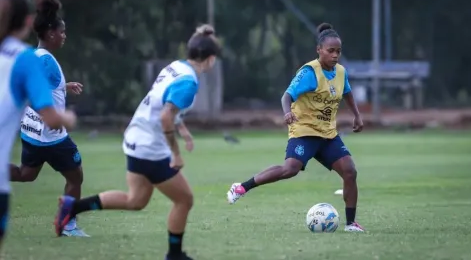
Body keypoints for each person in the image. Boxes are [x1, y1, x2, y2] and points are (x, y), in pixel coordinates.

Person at [54, 24, 220, 260]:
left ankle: (72, 207)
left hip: (135, 137)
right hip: (149, 146)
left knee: (136, 200)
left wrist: (183, 130)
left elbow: (164, 105)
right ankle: (174, 255)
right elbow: (165, 117)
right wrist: (176, 153)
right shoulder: (190, 82)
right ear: (211, 59)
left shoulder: (176, 67)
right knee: (184, 199)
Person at [226, 23, 365, 232]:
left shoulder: (341, 72)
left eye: (338, 51)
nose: (335, 55)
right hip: (304, 131)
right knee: (289, 170)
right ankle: (241, 187)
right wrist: (287, 112)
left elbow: (347, 92)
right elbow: (287, 95)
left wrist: (356, 114)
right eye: (330, 51)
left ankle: (351, 223)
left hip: (327, 134)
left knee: (350, 171)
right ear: (319, 50)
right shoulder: (309, 72)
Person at [0, 0, 76, 249]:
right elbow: (49, 111)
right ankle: (69, 226)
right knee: (76, 176)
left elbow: (33, 90)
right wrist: (67, 118)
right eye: (62, 31)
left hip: (30, 132)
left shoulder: (33, 57)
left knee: (25, 173)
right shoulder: (32, 60)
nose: (65, 35)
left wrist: (64, 88)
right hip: (51, 136)